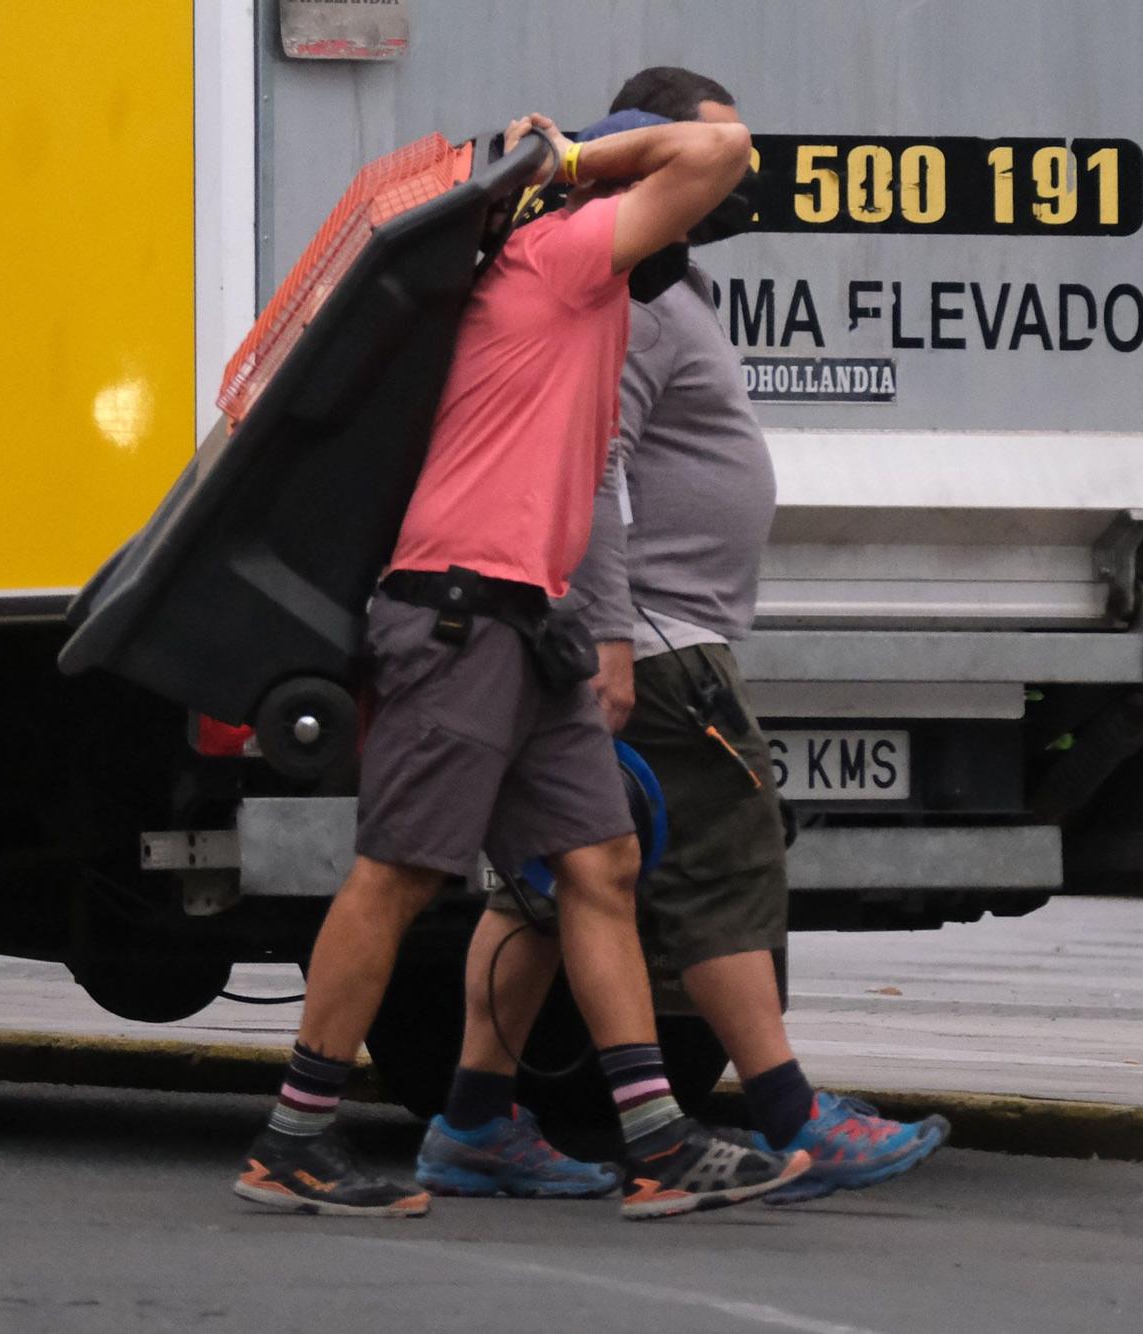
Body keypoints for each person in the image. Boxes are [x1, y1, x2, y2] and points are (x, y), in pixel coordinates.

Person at [234, 107, 810, 1222]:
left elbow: (589, 494)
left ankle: (654, 1141)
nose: (680, 246)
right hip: (457, 616)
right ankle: (291, 1139)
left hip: (524, 625)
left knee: (597, 867)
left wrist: (594, 630)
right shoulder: (555, 260)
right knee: (398, 871)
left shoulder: (581, 301)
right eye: (669, 227)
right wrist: (577, 159)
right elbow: (721, 145)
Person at [414, 68, 949, 1208]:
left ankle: (472, 1120)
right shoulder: (628, 290)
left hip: (649, 631)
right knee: (718, 863)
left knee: (555, 890)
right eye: (711, 152)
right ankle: (791, 1116)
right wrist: (610, 634)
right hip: (655, 642)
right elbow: (595, 471)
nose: (735, 175)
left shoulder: (662, 285)